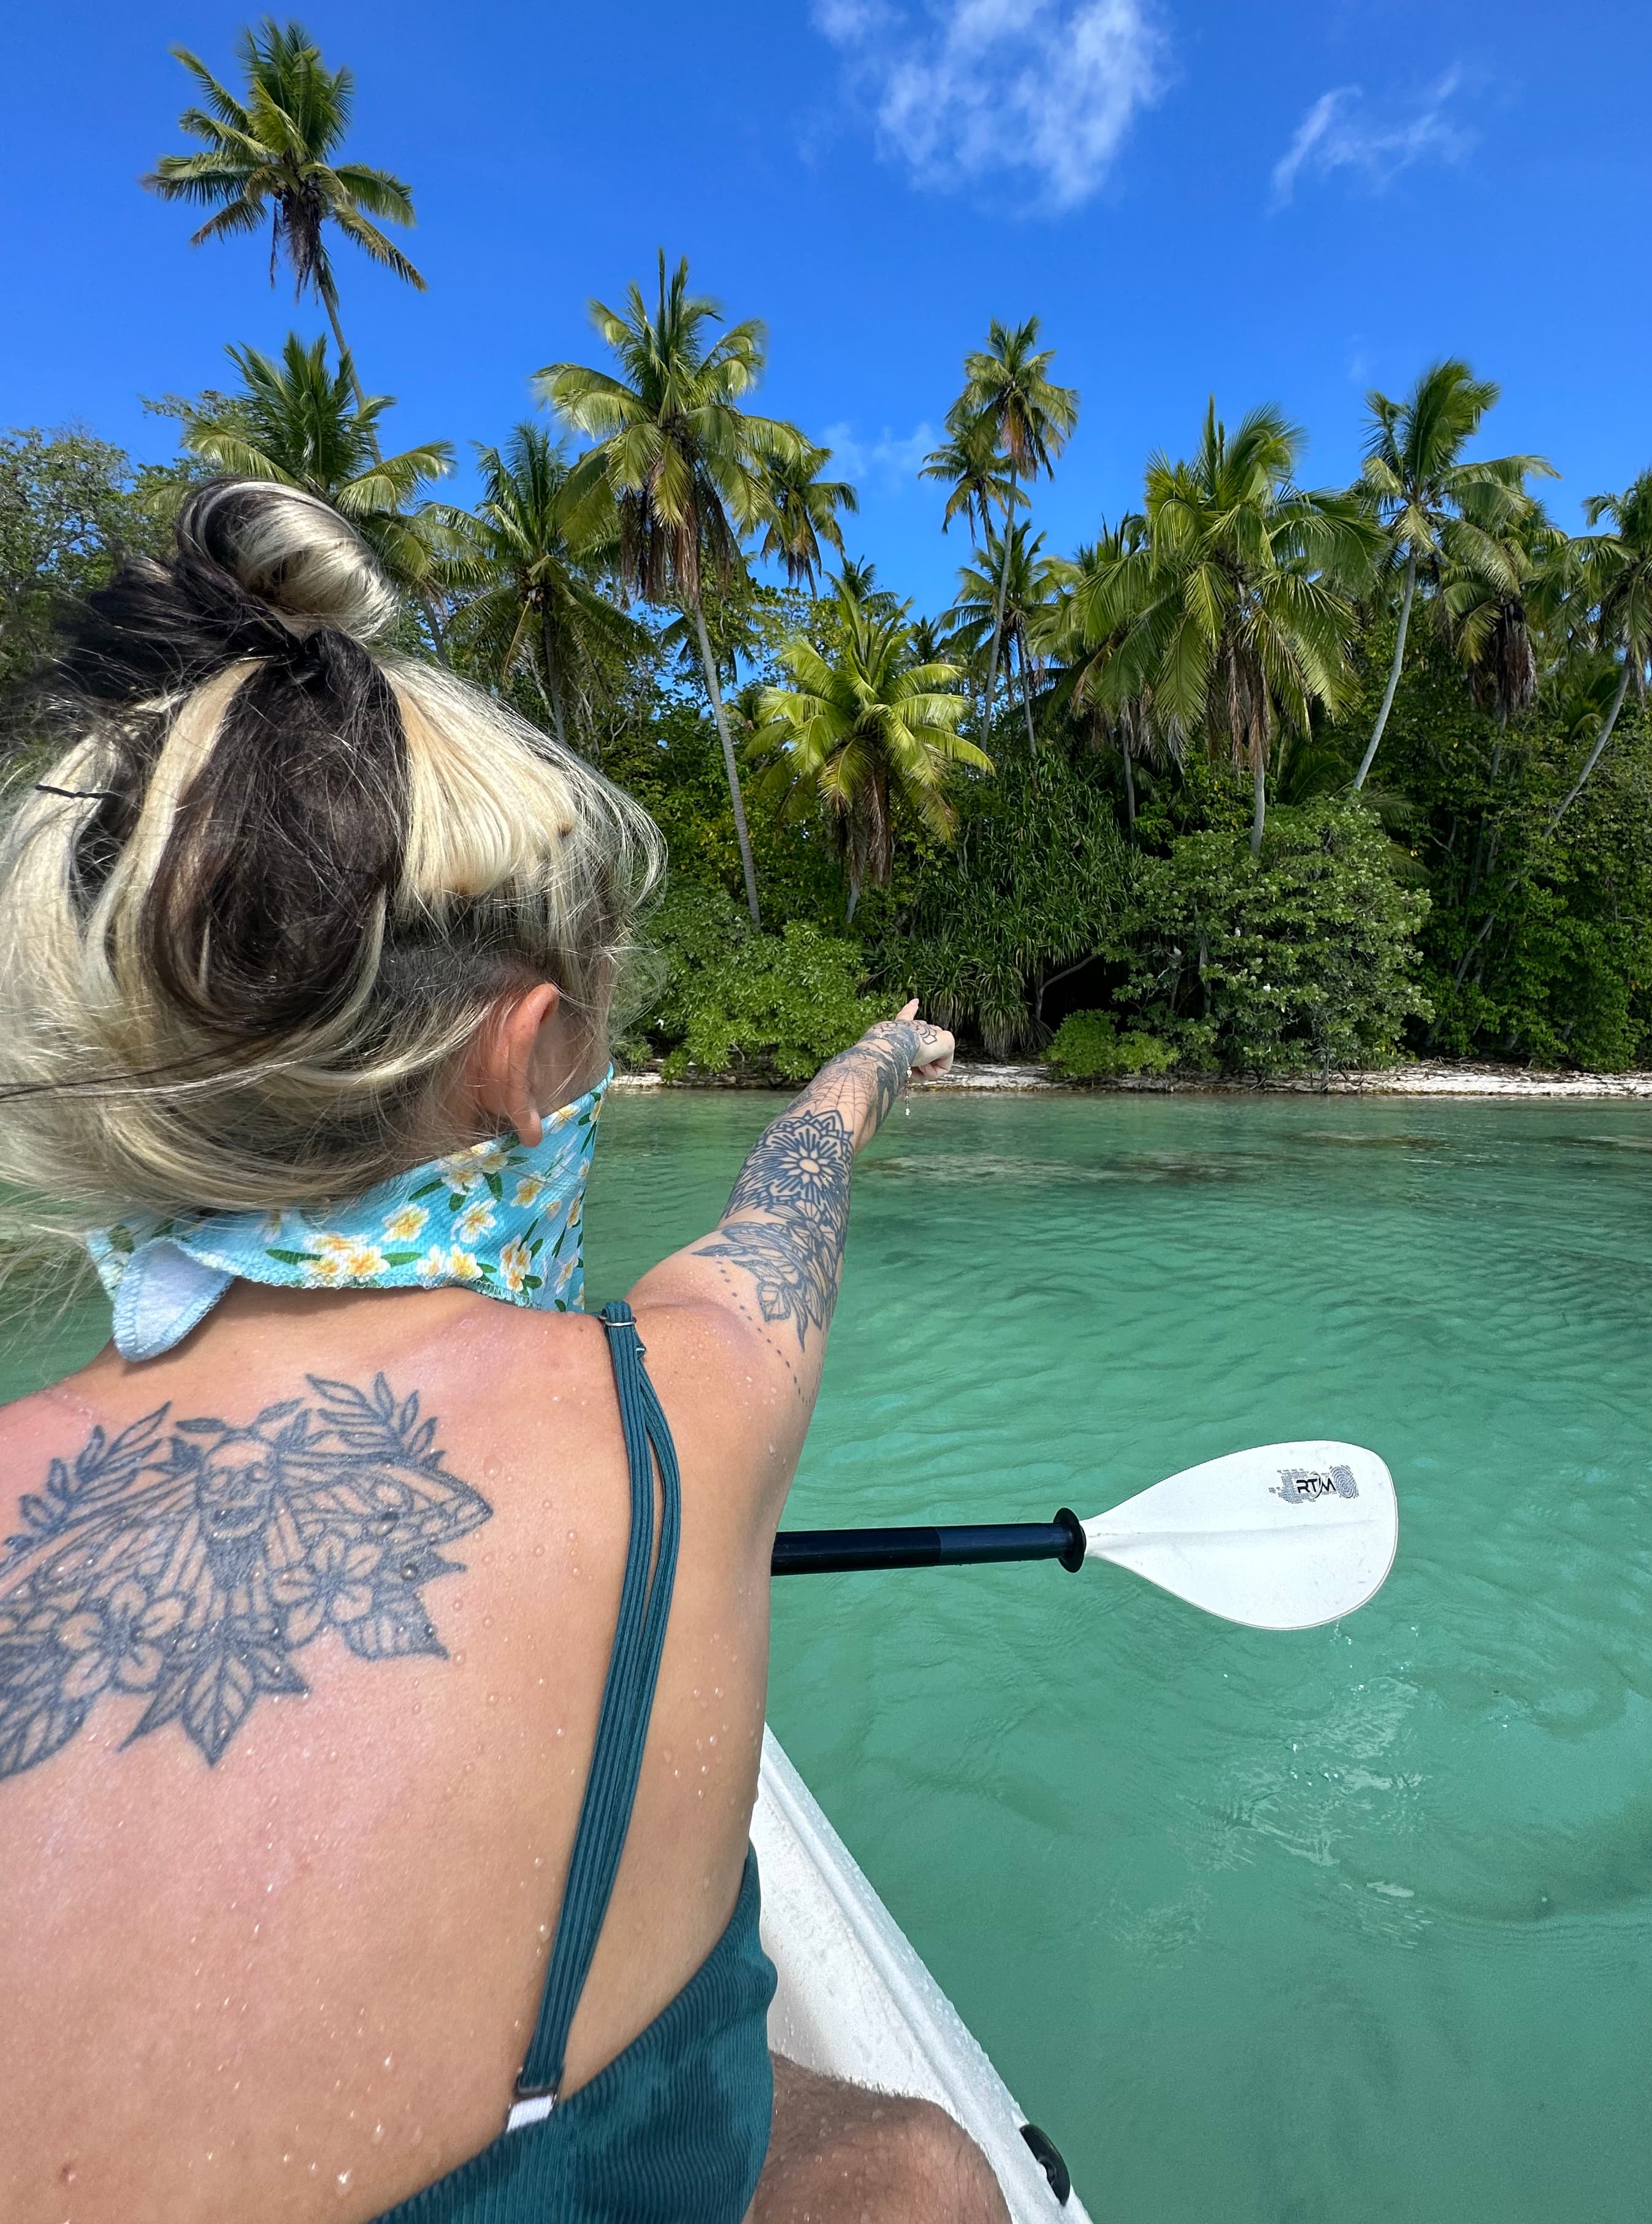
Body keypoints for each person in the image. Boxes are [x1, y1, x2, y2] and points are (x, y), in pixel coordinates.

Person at [0, 482, 1008, 2224]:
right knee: (922, 2172)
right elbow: (797, 1190)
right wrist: (880, 1057)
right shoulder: (683, 1405)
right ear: (525, 1057)